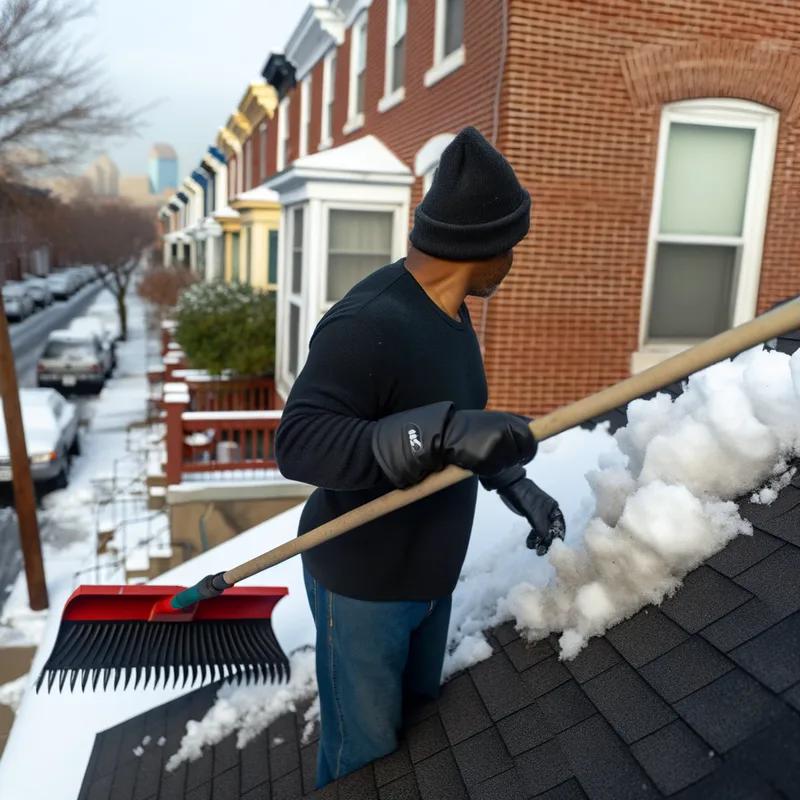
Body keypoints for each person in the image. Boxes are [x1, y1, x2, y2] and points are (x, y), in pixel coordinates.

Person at [275, 126, 565, 788]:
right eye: (511, 248)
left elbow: (455, 425)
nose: (513, 262)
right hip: (364, 585)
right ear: (482, 248)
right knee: (364, 756)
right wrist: (436, 433)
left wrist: (514, 483)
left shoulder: (453, 313)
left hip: (430, 575)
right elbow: (300, 442)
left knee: (417, 742)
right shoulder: (368, 323)